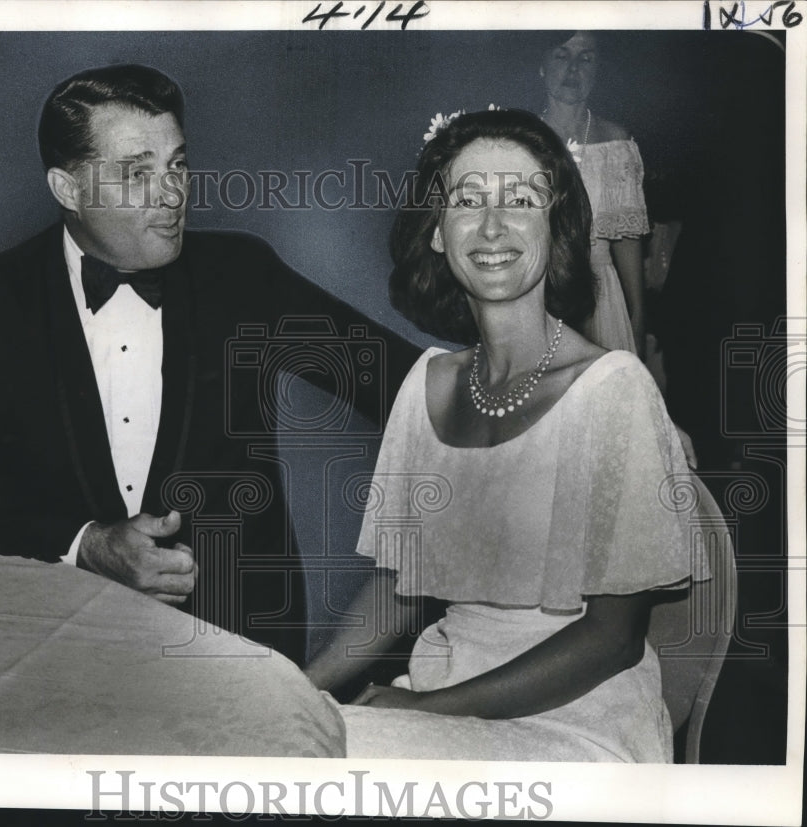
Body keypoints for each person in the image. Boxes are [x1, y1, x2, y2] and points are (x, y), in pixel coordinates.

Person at [0, 64, 419, 666]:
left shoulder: (242, 273)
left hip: (234, 652)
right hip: (54, 651)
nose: (172, 194)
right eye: (137, 172)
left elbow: (411, 390)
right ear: (67, 189)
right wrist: (85, 544)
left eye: (176, 165)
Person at [305, 109, 716, 761]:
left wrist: (422, 709)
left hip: (579, 719)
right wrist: (300, 689)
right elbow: (397, 586)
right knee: (290, 749)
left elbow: (613, 638)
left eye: (520, 200)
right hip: (444, 690)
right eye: (468, 200)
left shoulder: (614, 387)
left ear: (554, 227)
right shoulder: (427, 383)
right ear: (438, 232)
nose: (492, 226)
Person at [539, 31, 649, 357]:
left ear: (598, 70)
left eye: (585, 58)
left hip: (601, 298)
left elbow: (628, 238)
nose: (573, 68)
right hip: (538, 291)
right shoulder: (522, 135)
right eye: (561, 55)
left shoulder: (616, 139)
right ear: (541, 66)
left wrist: (638, 317)